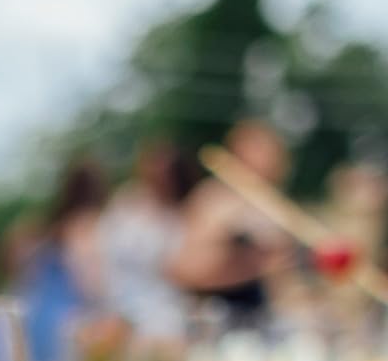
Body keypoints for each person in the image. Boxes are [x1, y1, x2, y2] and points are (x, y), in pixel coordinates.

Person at [169, 119, 293, 320]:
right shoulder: (214, 200)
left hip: (262, 310)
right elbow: (185, 269)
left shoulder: (274, 202)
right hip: (217, 309)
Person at [13, 159, 108, 361]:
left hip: (35, 312)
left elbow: (24, 268)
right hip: (64, 319)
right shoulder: (83, 225)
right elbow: (89, 283)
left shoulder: (50, 224)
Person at [99, 142, 193, 344]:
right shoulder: (124, 201)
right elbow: (105, 257)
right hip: (117, 310)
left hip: (164, 317)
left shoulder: (180, 213)